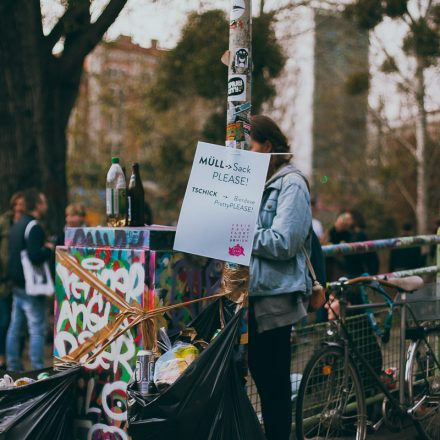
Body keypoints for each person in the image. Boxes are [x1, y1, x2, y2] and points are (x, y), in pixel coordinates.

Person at [248, 115, 312, 440]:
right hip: (243, 297)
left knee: (272, 384)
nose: (246, 152)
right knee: (245, 377)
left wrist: (239, 233)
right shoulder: (252, 185)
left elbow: (285, 242)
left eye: (251, 145)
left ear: (267, 147)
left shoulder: (292, 185)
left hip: (273, 299)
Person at [6, 189, 54, 371]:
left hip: (17, 285)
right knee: (36, 328)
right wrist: (48, 248)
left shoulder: (17, 225)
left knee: (15, 326)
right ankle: (37, 367)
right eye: (43, 201)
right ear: (37, 204)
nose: (46, 205)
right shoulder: (34, 227)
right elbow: (34, 256)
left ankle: (13, 365)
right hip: (31, 287)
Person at [0, 192, 25, 369]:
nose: (20, 207)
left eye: (23, 204)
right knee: (4, 319)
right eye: (17, 204)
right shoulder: (4, 222)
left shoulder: (29, 223)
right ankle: (2, 357)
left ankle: (14, 358)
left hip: (21, 279)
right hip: (3, 280)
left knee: (19, 322)